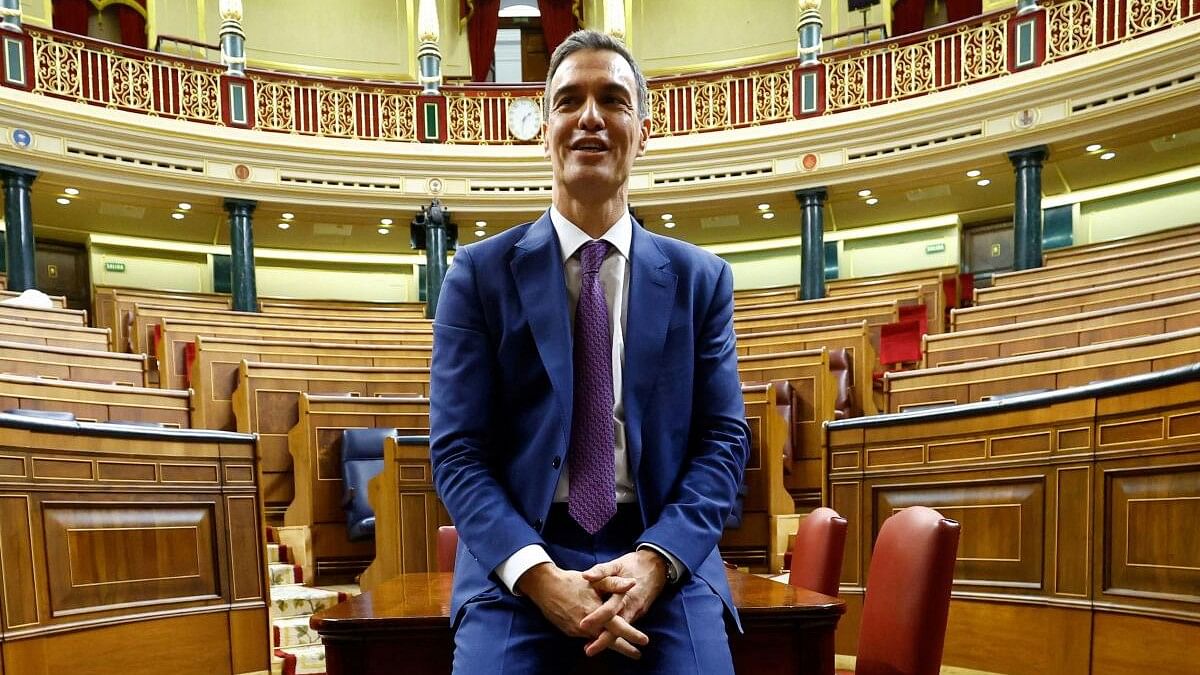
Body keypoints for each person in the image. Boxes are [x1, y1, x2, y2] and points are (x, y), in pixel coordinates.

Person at [430, 29, 749, 674]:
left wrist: (656, 561)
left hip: (661, 554)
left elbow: (723, 442)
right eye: (569, 100)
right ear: (545, 127)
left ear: (644, 128)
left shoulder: (701, 280)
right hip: (518, 565)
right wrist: (538, 574)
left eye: (614, 99)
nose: (591, 117)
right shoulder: (476, 276)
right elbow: (458, 452)